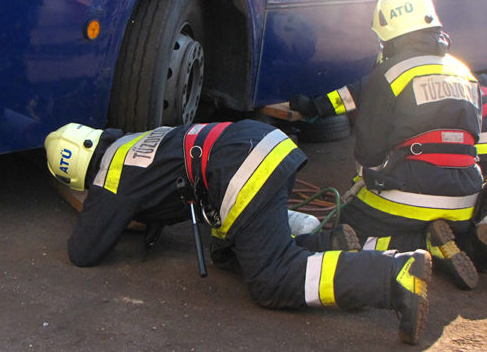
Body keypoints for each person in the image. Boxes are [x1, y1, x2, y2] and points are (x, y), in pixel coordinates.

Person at [45, 119, 433, 344]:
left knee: (271, 279)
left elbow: (84, 252)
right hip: (262, 143)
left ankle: (393, 278)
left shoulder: (108, 179)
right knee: (228, 253)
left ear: (76, 175)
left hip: (239, 170)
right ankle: (337, 245)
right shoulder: (132, 143)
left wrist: (91, 206)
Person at [291, 0, 487, 291]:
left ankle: (425, 245)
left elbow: (370, 149)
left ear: (387, 35)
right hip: (465, 196)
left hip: (410, 196)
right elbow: (476, 139)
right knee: (449, 226)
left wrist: (370, 180)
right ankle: (475, 244)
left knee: (350, 231)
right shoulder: (464, 72)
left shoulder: (390, 73)